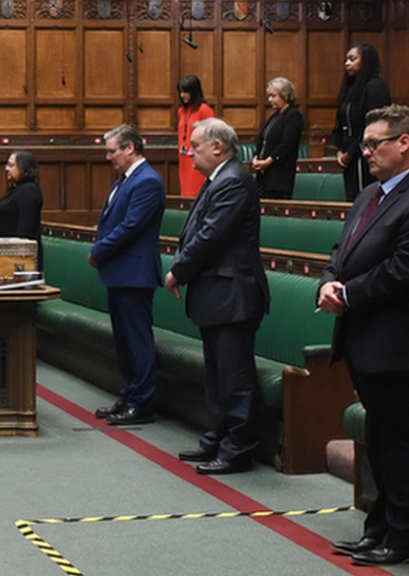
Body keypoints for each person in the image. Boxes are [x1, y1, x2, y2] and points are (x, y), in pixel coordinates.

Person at [317, 104, 409, 566]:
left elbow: (407, 268)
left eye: (374, 143)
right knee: (379, 439)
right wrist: (329, 281)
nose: (365, 151)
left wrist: (348, 294)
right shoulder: (369, 195)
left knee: (399, 441)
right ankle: (379, 529)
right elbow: (342, 249)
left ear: (405, 143)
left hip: (396, 343)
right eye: (365, 144)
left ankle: (404, 536)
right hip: (363, 337)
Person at [165, 118, 270, 474]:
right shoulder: (219, 179)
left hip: (233, 295)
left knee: (234, 377)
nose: (188, 151)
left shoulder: (235, 181)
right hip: (218, 295)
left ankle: (237, 447)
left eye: (195, 145)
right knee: (218, 375)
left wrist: (178, 271)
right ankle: (219, 437)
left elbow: (210, 236)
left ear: (218, 147)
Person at [90, 125, 166, 425]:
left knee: (137, 341)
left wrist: (99, 252)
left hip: (135, 272)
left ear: (130, 148)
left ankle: (142, 403)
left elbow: (131, 227)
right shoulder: (125, 180)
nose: (109, 157)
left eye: (112, 151)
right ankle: (129, 395)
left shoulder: (147, 181)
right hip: (120, 271)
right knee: (123, 341)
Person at [334, 42, 391, 202]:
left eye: (352, 59)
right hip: (348, 158)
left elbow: (373, 126)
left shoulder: (375, 87)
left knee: (365, 202)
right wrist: (339, 149)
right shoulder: (349, 90)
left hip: (366, 155)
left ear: (365, 62)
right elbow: (340, 123)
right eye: (346, 60)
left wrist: (351, 153)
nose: (347, 63)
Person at [251, 77, 305, 199]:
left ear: (285, 96)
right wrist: (256, 158)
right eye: (269, 96)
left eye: (273, 96)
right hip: (263, 176)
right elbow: (262, 139)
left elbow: (286, 145)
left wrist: (268, 162)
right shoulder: (275, 117)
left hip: (279, 178)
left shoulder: (294, 116)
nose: (270, 100)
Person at [0, 150, 44, 269]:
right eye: (7, 165)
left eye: (11, 165)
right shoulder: (16, 188)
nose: (7, 169)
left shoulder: (29, 190)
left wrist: (16, 255)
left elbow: (25, 228)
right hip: (8, 253)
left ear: (24, 167)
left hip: (21, 258)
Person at [177, 75, 215, 197]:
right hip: (184, 158)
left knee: (197, 191)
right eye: (181, 92)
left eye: (186, 92)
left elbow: (212, 134)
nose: (183, 95)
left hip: (200, 156)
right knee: (185, 190)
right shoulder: (181, 111)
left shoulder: (204, 110)